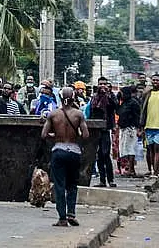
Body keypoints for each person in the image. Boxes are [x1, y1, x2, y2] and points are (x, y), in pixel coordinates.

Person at [41, 87, 89, 227]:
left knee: (59, 185)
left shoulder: (53, 115)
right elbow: (85, 135)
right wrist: (75, 136)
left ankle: (62, 218)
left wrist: (55, 136)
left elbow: (44, 135)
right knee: (72, 185)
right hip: (74, 151)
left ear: (60, 98)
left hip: (59, 151)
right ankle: (71, 214)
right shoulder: (78, 114)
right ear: (73, 98)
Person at [91, 77, 117, 188]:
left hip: (106, 129)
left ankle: (110, 180)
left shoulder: (111, 96)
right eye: (100, 84)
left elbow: (115, 106)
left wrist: (107, 95)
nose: (102, 86)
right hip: (96, 129)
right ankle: (102, 180)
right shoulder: (94, 97)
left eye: (104, 84)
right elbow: (92, 110)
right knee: (99, 155)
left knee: (106, 154)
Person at [140, 73, 159, 177]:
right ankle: (152, 170)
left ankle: (156, 171)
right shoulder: (147, 94)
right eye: (153, 80)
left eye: (157, 80)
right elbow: (143, 110)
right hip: (148, 126)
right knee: (150, 149)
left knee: (158, 149)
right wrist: (141, 126)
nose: (155, 82)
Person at [117, 85, 141, 177]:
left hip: (130, 128)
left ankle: (131, 169)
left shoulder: (133, 103)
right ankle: (128, 168)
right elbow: (118, 112)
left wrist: (139, 129)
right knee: (125, 149)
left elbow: (137, 116)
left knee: (130, 149)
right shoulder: (124, 103)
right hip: (124, 128)